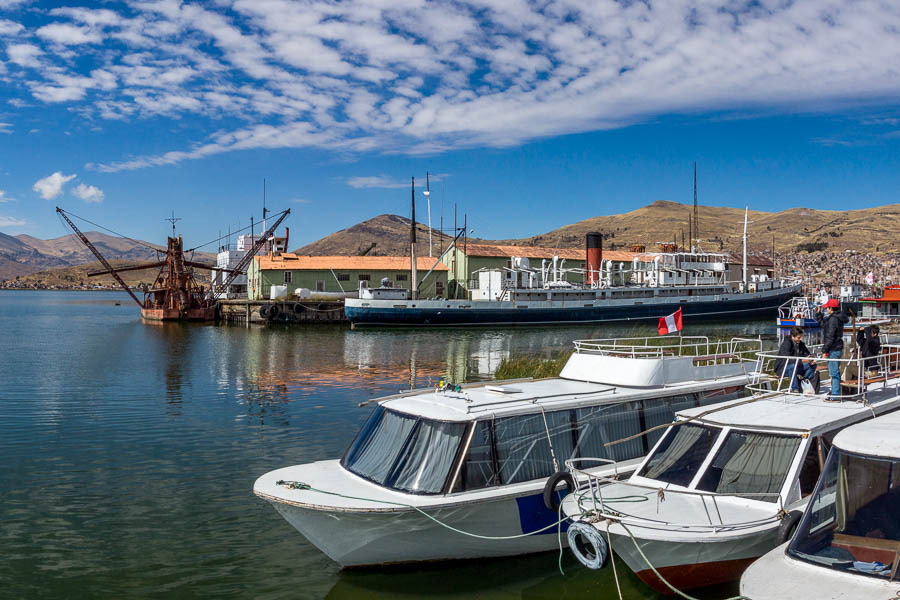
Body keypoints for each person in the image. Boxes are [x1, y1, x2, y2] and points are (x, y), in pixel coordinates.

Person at [816, 298, 849, 398]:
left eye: (827, 308)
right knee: (834, 370)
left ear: (831, 308)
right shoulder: (836, 318)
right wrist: (819, 315)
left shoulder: (833, 319)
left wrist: (824, 350)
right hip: (836, 347)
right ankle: (835, 391)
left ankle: (835, 394)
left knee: (834, 372)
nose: (826, 310)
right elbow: (824, 326)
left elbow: (830, 336)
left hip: (833, 349)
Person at [774, 326, 816, 392]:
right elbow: (787, 359)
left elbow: (807, 353)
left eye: (801, 337)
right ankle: (795, 388)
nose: (800, 339)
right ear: (793, 336)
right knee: (792, 367)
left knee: (813, 365)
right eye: (798, 337)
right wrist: (801, 361)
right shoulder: (787, 343)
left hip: (797, 365)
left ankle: (805, 382)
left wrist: (811, 359)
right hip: (783, 368)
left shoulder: (801, 344)